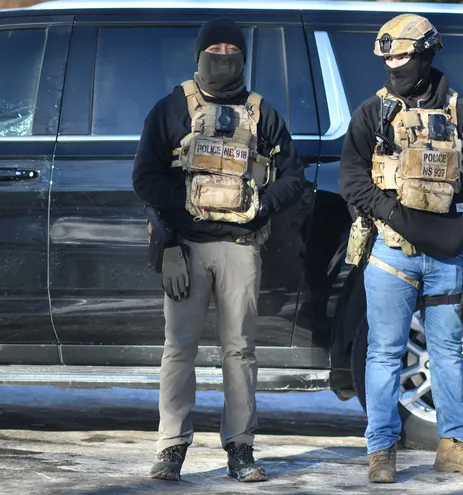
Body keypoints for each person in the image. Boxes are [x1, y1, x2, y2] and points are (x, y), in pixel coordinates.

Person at [132, 17, 305, 483]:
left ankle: (241, 449)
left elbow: (294, 177)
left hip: (240, 247)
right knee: (179, 350)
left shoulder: (261, 113)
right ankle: (171, 449)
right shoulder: (172, 108)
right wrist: (171, 234)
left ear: (244, 57)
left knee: (240, 351)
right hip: (186, 248)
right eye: (216, 49)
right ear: (199, 54)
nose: (223, 56)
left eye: (233, 50)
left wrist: (260, 205)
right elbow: (145, 178)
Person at [338, 13, 463, 483]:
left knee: (449, 352)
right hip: (390, 253)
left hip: (448, 256)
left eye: (403, 55)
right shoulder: (372, 113)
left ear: (426, 53)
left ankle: (454, 445)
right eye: (388, 57)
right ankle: (381, 452)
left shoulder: (460, 114)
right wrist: (395, 218)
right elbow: (351, 179)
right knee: (385, 354)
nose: (394, 63)